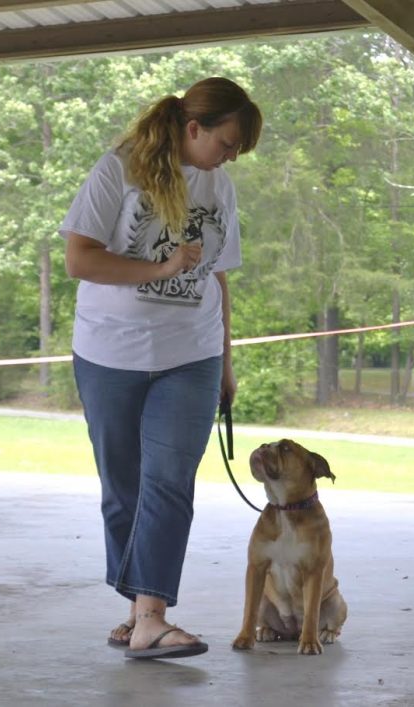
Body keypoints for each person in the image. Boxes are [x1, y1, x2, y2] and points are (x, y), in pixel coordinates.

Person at [60, 77, 262, 660]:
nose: (228, 158)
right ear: (192, 127)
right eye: (225, 143)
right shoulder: (117, 171)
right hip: (110, 353)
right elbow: (80, 259)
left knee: (168, 483)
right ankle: (136, 611)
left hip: (191, 354)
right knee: (123, 489)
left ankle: (152, 616)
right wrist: (162, 266)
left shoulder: (218, 186)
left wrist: (226, 362)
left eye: (236, 151)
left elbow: (217, 277)